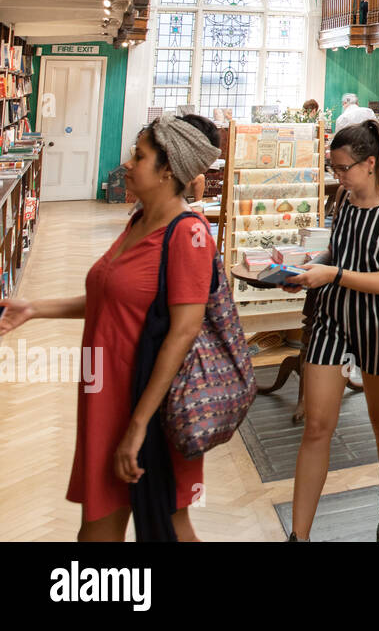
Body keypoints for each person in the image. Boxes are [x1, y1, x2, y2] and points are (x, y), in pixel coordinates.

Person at [0, 114, 222, 541]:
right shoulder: (138, 224)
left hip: (144, 402)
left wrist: (138, 423)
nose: (127, 164)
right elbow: (109, 301)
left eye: (139, 156)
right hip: (106, 395)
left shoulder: (188, 235)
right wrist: (33, 308)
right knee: (103, 522)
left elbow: (184, 331)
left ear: (167, 170)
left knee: (164, 525)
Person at [283, 119, 379, 542]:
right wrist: (306, 266)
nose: (337, 177)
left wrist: (331, 272)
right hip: (332, 317)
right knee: (318, 425)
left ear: (370, 163)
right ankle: (299, 535)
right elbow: (340, 251)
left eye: (343, 168)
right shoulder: (344, 196)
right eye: (334, 168)